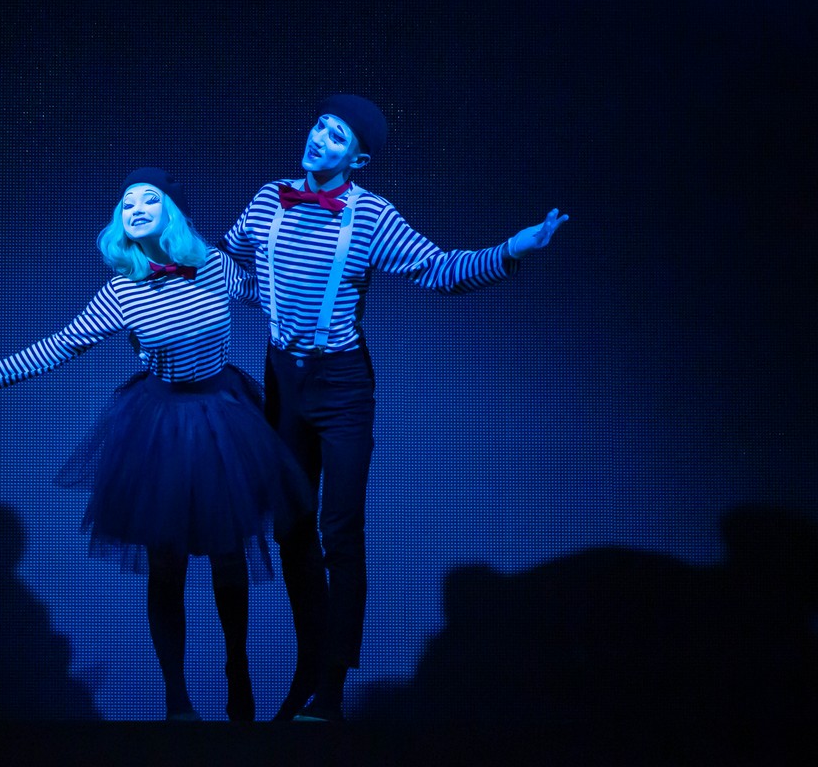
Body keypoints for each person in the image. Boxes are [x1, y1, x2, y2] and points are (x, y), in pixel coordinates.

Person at [221, 94, 568, 721]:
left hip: (341, 385)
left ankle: (331, 685)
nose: (320, 138)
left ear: (359, 158)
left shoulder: (372, 216)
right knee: (290, 528)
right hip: (282, 381)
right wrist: (173, 268)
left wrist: (512, 250)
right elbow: (230, 267)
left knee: (339, 532)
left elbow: (438, 270)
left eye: (338, 135)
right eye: (321, 125)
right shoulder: (269, 199)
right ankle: (309, 665)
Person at [0, 168, 312, 722]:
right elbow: (62, 344)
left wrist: (335, 296)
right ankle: (177, 700)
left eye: (149, 199)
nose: (136, 208)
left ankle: (238, 672)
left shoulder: (213, 266)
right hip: (159, 427)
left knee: (229, 555)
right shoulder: (122, 290)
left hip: (223, 417)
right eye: (127, 203)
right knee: (166, 564)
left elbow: (269, 296)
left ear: (171, 210)